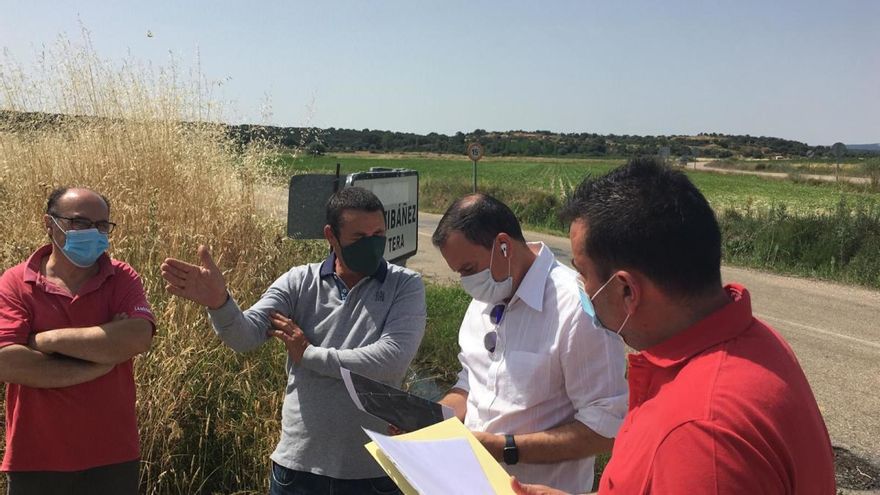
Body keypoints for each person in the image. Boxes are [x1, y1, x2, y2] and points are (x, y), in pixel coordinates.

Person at [513, 157, 836, 494]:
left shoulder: (699, 437)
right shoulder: (751, 342)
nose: (581, 285)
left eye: (584, 272)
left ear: (627, 290)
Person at [161, 186, 426, 495]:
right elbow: (245, 336)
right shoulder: (299, 282)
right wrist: (220, 304)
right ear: (331, 236)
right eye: (359, 238)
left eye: (378, 234)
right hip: (299, 470)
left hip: (374, 468)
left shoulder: (404, 285)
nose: (371, 244)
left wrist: (309, 354)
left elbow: (392, 358)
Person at [431, 194, 628, 494]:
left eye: (469, 269)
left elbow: (605, 429)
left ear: (504, 246)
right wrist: (429, 419)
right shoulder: (484, 300)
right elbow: (471, 383)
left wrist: (506, 448)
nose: (466, 282)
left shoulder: (576, 309)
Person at [0, 187, 156, 495]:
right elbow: (8, 362)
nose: (93, 233)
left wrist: (46, 339)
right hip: (37, 457)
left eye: (101, 225)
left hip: (112, 456)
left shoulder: (121, 276)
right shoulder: (16, 282)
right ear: (49, 223)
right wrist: (100, 361)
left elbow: (138, 336)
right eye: (80, 223)